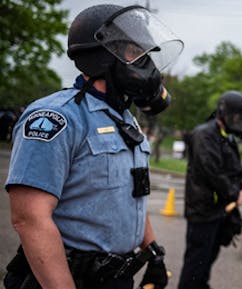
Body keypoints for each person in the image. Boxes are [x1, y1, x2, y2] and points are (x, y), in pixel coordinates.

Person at [3, 4, 182, 289]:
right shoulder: (56, 118)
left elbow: (131, 194)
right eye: (136, 54)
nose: (146, 64)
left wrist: (153, 252)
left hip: (116, 278)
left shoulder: (126, 120)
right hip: (66, 278)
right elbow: (29, 218)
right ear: (101, 57)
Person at [179, 91, 242, 289]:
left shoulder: (226, 136)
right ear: (224, 113)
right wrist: (235, 193)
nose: (240, 121)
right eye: (237, 116)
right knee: (196, 263)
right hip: (202, 211)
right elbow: (212, 172)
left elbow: (234, 170)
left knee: (208, 259)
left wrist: (241, 188)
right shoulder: (205, 134)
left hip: (218, 210)